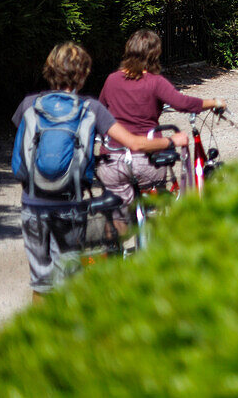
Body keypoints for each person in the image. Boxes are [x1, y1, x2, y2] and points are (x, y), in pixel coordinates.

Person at [12, 42, 188, 300]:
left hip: (32, 205)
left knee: (41, 283)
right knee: (68, 280)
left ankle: (40, 333)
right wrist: (171, 141)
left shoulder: (29, 104)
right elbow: (134, 143)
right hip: (67, 206)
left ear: (49, 69)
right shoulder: (90, 109)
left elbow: (22, 146)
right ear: (83, 74)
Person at [97, 30, 224, 212]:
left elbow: (101, 111)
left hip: (113, 161)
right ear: (155, 54)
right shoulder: (155, 82)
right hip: (147, 160)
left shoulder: (111, 80)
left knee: (118, 214)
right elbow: (183, 103)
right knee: (158, 191)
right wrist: (214, 102)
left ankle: (115, 233)